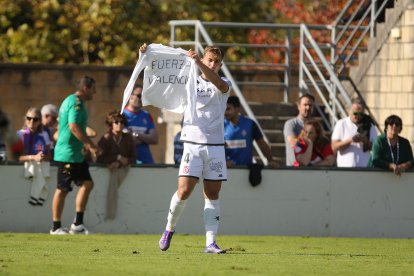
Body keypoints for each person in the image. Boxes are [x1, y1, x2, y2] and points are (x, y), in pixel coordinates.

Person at [139, 43, 231, 253]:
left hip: (215, 147)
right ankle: (169, 229)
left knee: (212, 194)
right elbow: (163, 77)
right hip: (192, 145)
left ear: (221, 64)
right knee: (184, 191)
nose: (213, 64)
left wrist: (198, 61)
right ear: (204, 60)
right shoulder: (188, 81)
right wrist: (146, 56)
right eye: (210, 60)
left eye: (217, 62)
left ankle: (210, 242)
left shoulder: (224, 84)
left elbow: (217, 82)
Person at [50, 76, 102, 235]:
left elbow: (74, 126)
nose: (95, 92)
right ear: (86, 87)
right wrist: (91, 145)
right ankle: (56, 227)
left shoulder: (72, 101)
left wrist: (88, 134)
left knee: (87, 183)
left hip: (75, 154)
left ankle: (77, 224)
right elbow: (73, 127)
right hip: (67, 154)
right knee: (62, 189)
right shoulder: (76, 103)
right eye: (93, 89)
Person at [97, 110, 136, 220]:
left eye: (122, 122)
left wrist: (122, 162)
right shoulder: (106, 138)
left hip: (123, 171)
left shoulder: (128, 138)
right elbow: (99, 158)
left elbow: (133, 157)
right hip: (108, 172)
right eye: (116, 122)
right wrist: (116, 158)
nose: (119, 124)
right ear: (111, 124)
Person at [224, 96, 278, 168]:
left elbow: (261, 143)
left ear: (237, 109)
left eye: (228, 109)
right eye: (223, 109)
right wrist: (223, 163)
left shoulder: (249, 124)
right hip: (228, 170)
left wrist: (270, 160)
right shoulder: (220, 126)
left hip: (246, 170)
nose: (225, 112)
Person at [17, 107, 52, 206]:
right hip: (24, 173)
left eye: (35, 119)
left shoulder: (44, 135)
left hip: (40, 169)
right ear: (26, 119)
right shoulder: (20, 134)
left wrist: (41, 157)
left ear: (40, 121)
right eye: (29, 118)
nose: (32, 121)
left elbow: (49, 156)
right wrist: (33, 157)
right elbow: (17, 157)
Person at [331, 98, 377, 167]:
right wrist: (351, 140)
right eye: (355, 113)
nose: (357, 116)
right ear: (349, 111)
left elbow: (376, 149)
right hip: (345, 168)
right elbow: (334, 147)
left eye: (360, 114)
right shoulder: (341, 124)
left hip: (364, 168)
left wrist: (365, 141)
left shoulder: (370, 125)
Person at [123, 84, 158, 164]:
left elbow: (154, 139)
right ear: (130, 96)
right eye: (139, 95)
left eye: (143, 96)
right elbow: (127, 141)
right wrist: (145, 138)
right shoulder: (122, 115)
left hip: (147, 161)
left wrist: (137, 135)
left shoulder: (147, 115)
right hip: (129, 162)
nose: (141, 99)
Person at [283, 94, 315, 166]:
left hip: (312, 169)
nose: (308, 107)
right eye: (305, 105)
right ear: (299, 106)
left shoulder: (316, 125)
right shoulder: (291, 124)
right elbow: (293, 143)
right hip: (294, 169)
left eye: (310, 105)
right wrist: (309, 138)